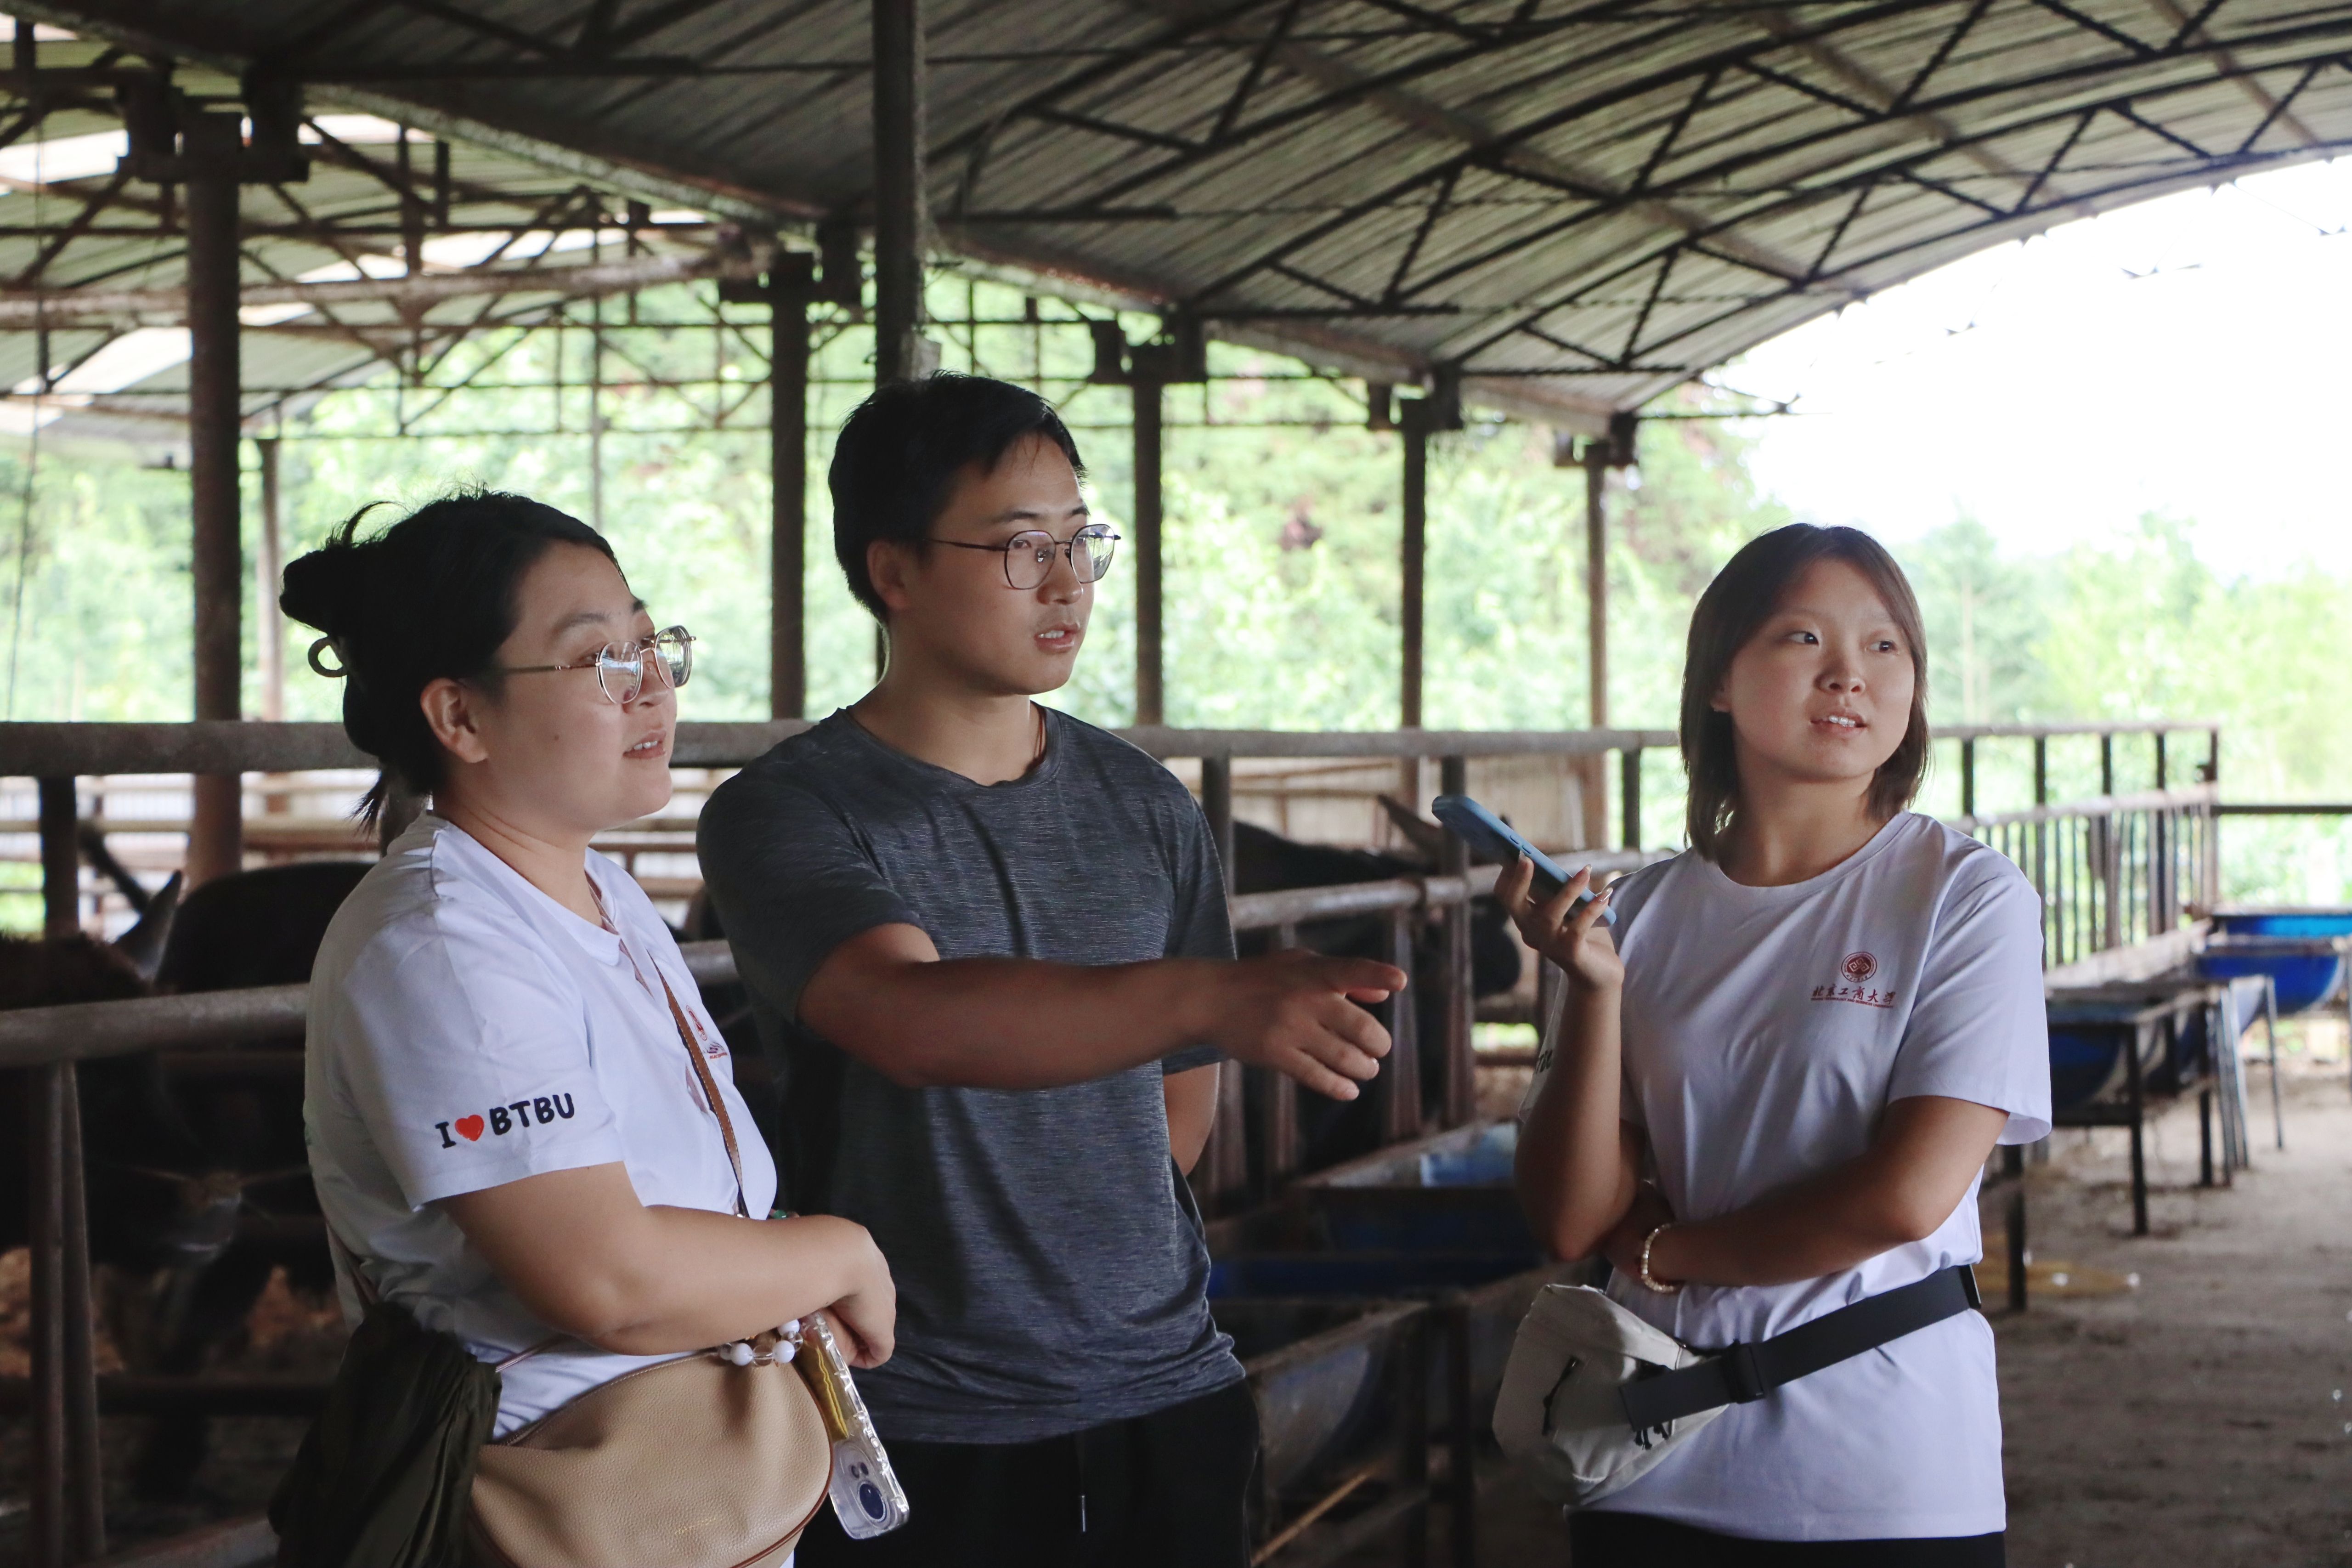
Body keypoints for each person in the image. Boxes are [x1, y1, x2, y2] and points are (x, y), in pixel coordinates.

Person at [697, 373, 1407, 1567]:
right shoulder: (789, 812)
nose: (1069, 579)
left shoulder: (1143, 804)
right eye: (1023, 546)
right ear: (896, 571)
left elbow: (1178, 1114)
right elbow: (908, 1016)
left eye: (1082, 540)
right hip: (920, 1407)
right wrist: (1216, 995)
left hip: (1167, 1387)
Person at [286, 492, 896, 1451]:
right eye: (598, 660)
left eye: (650, 645)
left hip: (684, 1478)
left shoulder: (598, 890)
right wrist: (837, 1254)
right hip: (559, 1496)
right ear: (460, 715)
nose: (651, 685)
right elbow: (607, 1282)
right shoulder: (441, 946)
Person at [1509, 523, 2049, 1565]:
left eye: (1886, 646)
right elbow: (1570, 1212)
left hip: (1883, 1474)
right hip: (1644, 1461)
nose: (1850, 672)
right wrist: (1592, 991)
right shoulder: (1643, 916)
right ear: (1719, 680)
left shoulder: (1961, 896)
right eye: (1803, 638)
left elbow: (1905, 1198)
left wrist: (1672, 1250)